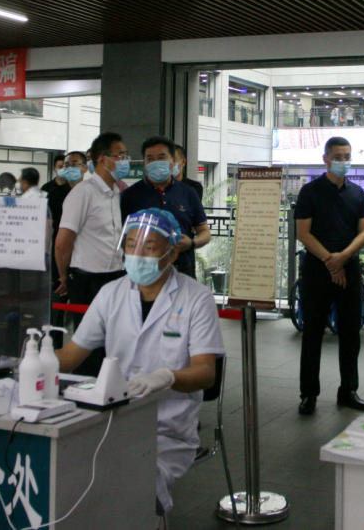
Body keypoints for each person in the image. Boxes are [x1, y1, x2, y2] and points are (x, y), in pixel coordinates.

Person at [55, 208, 225, 514]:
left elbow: (205, 373)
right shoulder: (111, 294)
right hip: (110, 419)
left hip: (167, 428)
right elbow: (69, 357)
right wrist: (32, 361)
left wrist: (167, 377)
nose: (137, 255)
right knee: (72, 473)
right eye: (131, 246)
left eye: (149, 248)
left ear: (172, 254)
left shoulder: (196, 298)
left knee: (132, 482)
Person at [295, 136, 364, 415]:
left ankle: (348, 390)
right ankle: (309, 393)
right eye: (337, 157)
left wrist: (343, 258)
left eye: (347, 157)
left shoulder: (358, 193)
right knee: (312, 332)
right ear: (325, 159)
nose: (343, 162)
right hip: (317, 269)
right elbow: (303, 233)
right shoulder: (310, 191)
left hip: (349, 268)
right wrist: (331, 261)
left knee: (351, 332)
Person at [55, 132, 129, 375]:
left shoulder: (116, 192)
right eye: (120, 156)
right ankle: (84, 389)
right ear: (102, 160)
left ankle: (109, 387)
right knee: (89, 346)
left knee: (112, 343)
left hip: (115, 278)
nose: (125, 161)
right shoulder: (83, 193)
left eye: (126, 156)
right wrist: (64, 277)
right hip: (88, 280)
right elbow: (63, 242)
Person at [121, 136, 210, 279]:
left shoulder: (188, 192)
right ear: (144, 163)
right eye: (150, 159)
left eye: (161, 157)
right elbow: (121, 235)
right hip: (144, 269)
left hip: (182, 267)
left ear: (173, 160)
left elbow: (204, 232)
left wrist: (191, 243)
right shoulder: (130, 195)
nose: (156, 162)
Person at [47, 151, 89, 329]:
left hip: (83, 262)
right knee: (56, 313)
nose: (69, 168)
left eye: (74, 164)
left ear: (85, 168)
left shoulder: (90, 193)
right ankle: (54, 344)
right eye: (66, 165)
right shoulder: (54, 194)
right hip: (59, 258)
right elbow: (48, 228)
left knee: (83, 314)